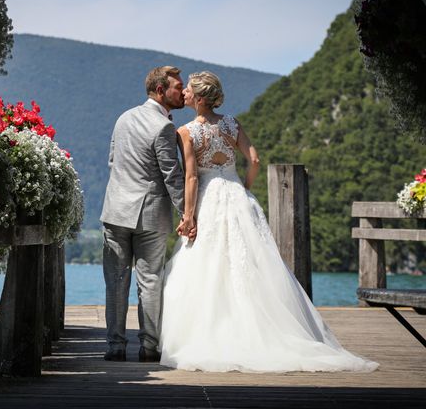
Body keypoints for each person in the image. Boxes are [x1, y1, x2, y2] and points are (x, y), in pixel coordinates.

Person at [159, 70, 378, 373]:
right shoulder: (232, 124)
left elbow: (192, 176)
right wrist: (244, 187)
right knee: (252, 265)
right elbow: (255, 160)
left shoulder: (186, 131)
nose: (182, 94)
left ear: (197, 97)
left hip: (209, 198)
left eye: (187, 92)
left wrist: (188, 215)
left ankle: (216, 332)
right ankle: (266, 329)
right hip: (237, 197)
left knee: (208, 266)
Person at [100, 66, 189, 362]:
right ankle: (149, 347)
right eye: (178, 86)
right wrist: (188, 214)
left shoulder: (123, 118)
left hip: (115, 210)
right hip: (149, 213)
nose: (183, 91)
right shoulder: (163, 127)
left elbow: (113, 161)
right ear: (161, 90)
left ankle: (115, 346)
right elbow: (172, 176)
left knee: (115, 281)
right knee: (150, 280)